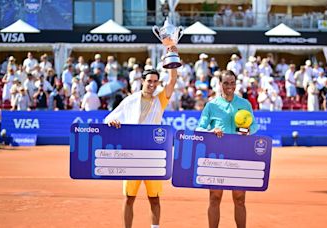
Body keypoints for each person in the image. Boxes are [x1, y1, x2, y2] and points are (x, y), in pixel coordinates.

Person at [105, 46, 178, 228]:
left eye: (155, 81)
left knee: (154, 198)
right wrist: (113, 123)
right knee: (129, 198)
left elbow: (173, 79)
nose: (152, 84)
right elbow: (109, 118)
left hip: (154, 155)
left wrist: (172, 54)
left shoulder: (160, 99)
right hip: (132, 155)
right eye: (149, 81)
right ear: (142, 81)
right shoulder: (130, 100)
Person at [196, 70, 257, 228]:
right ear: (220, 84)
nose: (229, 86)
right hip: (217, 157)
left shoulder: (245, 104)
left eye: (232, 83)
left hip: (239, 155)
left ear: (236, 84)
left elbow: (254, 126)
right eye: (226, 83)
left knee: (239, 199)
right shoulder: (212, 105)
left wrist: (248, 131)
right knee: (215, 198)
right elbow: (199, 128)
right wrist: (211, 131)